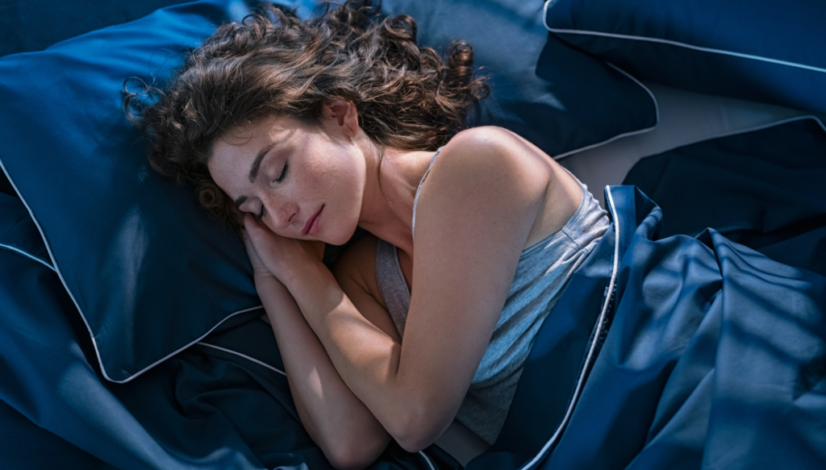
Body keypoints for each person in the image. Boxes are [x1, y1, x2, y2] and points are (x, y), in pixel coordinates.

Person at [125, 1, 609, 468]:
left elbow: (414, 419)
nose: (280, 215)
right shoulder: (364, 281)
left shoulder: (477, 164)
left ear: (340, 116)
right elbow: (350, 442)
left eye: (278, 172)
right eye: (252, 209)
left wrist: (304, 277)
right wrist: (276, 280)